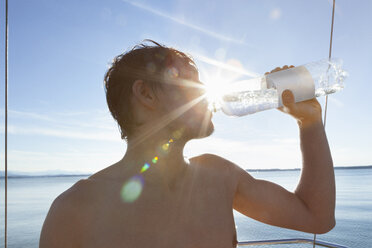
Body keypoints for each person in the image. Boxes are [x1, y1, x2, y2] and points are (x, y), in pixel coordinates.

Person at [39, 40, 335, 248]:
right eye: (189, 80)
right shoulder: (74, 209)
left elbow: (317, 217)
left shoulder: (219, 176)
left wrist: (308, 121)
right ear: (146, 94)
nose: (205, 92)